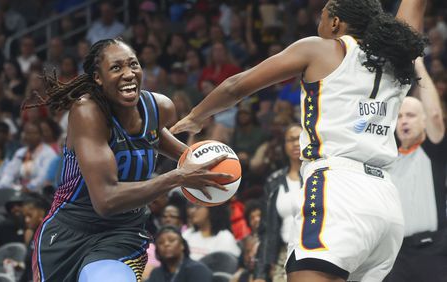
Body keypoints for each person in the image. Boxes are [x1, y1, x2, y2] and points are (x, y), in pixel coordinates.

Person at [171, 0, 426, 281]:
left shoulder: (323, 47)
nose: (319, 24)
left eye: (322, 16)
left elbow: (235, 86)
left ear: (335, 23)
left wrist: (196, 116)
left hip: (338, 190)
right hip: (386, 202)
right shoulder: (399, 55)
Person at [21, 38, 230, 282]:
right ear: (98, 78)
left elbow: (151, 137)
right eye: (116, 67)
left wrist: (202, 163)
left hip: (122, 232)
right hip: (68, 231)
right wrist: (177, 176)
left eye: (133, 64)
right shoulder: (87, 112)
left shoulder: (159, 108)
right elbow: (106, 200)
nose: (129, 73)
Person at [386, 58, 446, 282]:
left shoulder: (433, 150)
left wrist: (418, 64)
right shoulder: (387, 155)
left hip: (434, 251)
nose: (403, 121)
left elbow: (435, 114)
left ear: (423, 121)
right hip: (396, 255)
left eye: (410, 115)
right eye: (399, 116)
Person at [253, 124, 303, 282]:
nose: (296, 143)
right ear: (284, 145)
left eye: (300, 138)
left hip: (318, 251)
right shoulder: (274, 181)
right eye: (291, 139)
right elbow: (266, 230)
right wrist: (260, 273)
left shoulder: (322, 176)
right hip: (284, 255)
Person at [147, 225, 213, 282]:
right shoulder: (156, 273)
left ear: (182, 245)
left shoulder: (198, 270)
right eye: (161, 242)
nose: (166, 244)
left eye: (172, 240)